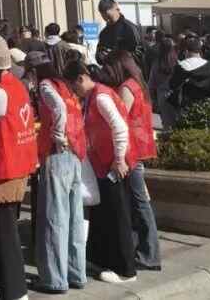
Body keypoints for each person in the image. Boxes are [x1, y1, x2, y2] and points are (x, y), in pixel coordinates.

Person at [0, 34, 38, 300]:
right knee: (6, 230)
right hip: (20, 166)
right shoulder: (17, 86)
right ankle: (7, 285)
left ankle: (15, 290)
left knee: (4, 234)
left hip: (5, 172)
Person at [67, 60, 137, 284]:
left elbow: (120, 127)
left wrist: (119, 159)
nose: (74, 91)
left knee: (118, 216)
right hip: (105, 163)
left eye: (73, 86)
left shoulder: (100, 97)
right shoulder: (94, 96)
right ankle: (108, 261)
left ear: (81, 79)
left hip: (114, 165)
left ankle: (126, 270)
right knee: (109, 215)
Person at [30, 50, 88, 294]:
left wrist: (57, 135)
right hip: (74, 153)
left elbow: (59, 109)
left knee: (55, 217)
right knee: (74, 218)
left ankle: (54, 279)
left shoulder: (45, 85)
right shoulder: (64, 85)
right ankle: (76, 273)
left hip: (57, 154)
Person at [99, 51, 160, 271]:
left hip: (130, 151)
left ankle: (149, 254)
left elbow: (120, 118)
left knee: (139, 202)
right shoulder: (137, 83)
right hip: (138, 147)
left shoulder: (126, 88)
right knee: (139, 201)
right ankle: (144, 251)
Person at [168, 36, 210, 113]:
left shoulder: (181, 66)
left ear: (186, 51)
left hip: (188, 106)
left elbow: (172, 85)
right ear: (200, 50)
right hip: (208, 104)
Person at [147, 37, 178, 128]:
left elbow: (151, 84)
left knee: (166, 124)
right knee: (177, 124)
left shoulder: (156, 64)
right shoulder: (177, 63)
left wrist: (152, 99)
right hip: (176, 95)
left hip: (162, 96)